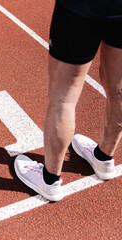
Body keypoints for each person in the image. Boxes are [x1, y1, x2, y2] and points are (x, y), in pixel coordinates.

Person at [14, 0, 122, 201]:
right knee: (118, 87)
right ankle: (103, 158)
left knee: (63, 96)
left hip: (81, 8)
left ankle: (50, 179)